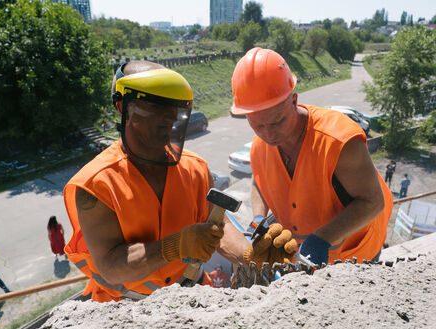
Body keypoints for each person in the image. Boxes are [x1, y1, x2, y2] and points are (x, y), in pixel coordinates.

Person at [63, 61, 295, 302]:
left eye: (174, 107)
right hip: (123, 310)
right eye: (156, 106)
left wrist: (249, 254)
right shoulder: (96, 185)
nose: (169, 117)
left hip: (190, 296)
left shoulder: (195, 169)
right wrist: (175, 246)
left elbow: (218, 229)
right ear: (124, 106)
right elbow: (111, 267)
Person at [230, 48, 394, 266]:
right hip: (307, 257)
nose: (268, 134)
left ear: (294, 101)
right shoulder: (260, 146)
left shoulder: (339, 142)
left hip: (356, 253)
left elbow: (373, 202)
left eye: (276, 121)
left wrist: (322, 239)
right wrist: (258, 220)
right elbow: (260, 181)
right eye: (256, 124)